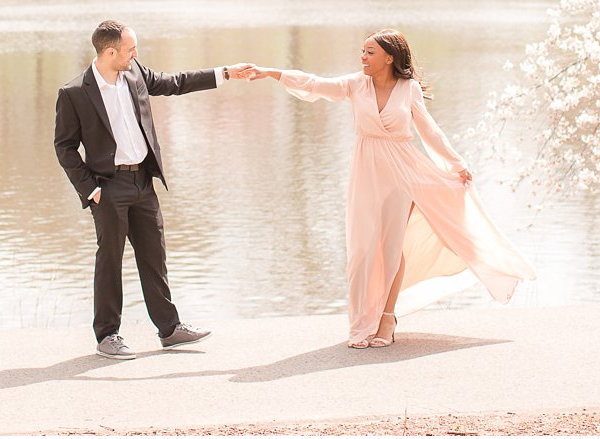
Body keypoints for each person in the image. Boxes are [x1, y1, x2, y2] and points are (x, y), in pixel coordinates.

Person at [239, 29, 534, 348]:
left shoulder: (408, 89)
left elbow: (429, 131)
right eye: (362, 52)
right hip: (366, 168)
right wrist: (271, 72)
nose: (362, 57)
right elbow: (315, 84)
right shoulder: (355, 84)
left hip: (401, 171)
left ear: (389, 57)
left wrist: (456, 163)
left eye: (370, 52)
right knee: (361, 249)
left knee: (390, 247)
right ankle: (360, 323)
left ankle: (386, 319)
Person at [53, 19, 253, 360]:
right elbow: (65, 147)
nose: (136, 53)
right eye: (131, 48)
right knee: (110, 260)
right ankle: (108, 335)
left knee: (154, 257)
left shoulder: (134, 73)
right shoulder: (74, 93)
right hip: (108, 187)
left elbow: (175, 83)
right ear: (111, 51)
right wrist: (91, 190)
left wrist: (226, 73)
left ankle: (169, 329)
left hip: (143, 183)